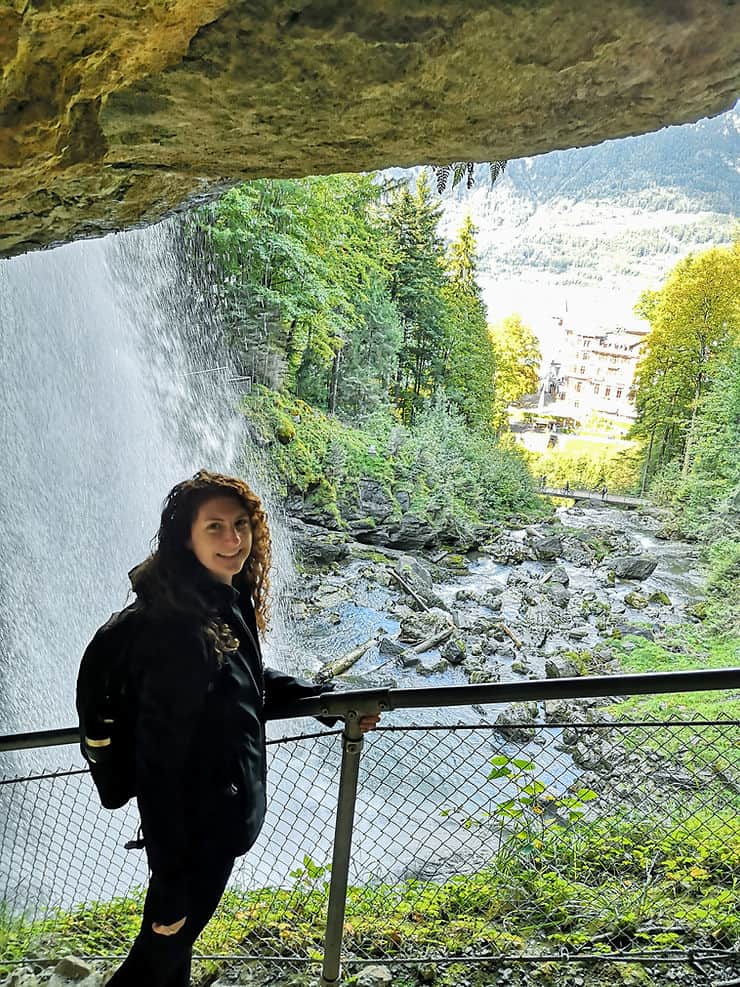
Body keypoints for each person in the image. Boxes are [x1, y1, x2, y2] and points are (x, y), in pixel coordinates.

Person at [106, 470, 380, 986]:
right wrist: (168, 883)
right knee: (155, 958)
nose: (233, 540)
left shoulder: (217, 599)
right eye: (214, 527)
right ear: (185, 537)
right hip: (195, 834)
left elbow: (242, 683)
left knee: (172, 954)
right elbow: (158, 765)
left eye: (241, 524)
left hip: (214, 819)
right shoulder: (178, 628)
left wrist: (322, 700)